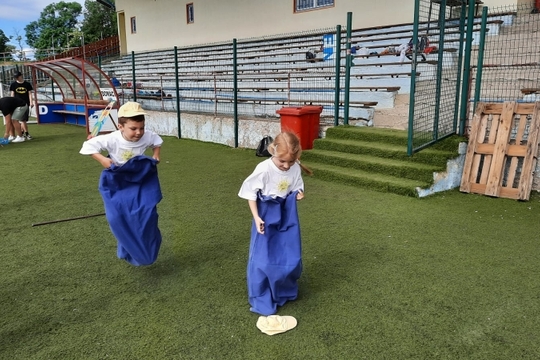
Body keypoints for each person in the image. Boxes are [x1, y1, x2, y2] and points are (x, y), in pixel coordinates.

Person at [80, 102, 164, 266]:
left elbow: (157, 142)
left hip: (140, 180)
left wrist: (156, 155)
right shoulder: (112, 139)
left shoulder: (147, 135)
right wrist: (103, 159)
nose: (139, 132)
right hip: (117, 181)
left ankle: (146, 249)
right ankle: (126, 245)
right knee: (116, 218)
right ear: (120, 126)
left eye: (142, 127)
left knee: (146, 215)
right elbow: (87, 146)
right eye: (133, 128)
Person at [238, 131, 312, 316]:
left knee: (289, 254)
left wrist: (299, 194)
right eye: (282, 162)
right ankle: (261, 293)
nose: (286, 166)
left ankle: (283, 290)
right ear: (274, 151)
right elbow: (250, 193)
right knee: (263, 256)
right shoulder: (264, 169)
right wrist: (256, 217)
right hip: (266, 212)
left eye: (291, 162)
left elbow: (297, 185)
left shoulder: (294, 166)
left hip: (287, 212)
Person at [10, 71, 34, 140]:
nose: (16, 79)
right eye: (15, 77)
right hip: (17, 104)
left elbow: (30, 94)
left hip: (25, 103)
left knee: (23, 120)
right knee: (21, 120)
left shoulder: (27, 84)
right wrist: (12, 103)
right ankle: (26, 133)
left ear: (21, 76)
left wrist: (31, 102)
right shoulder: (13, 84)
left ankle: (23, 133)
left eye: (17, 77)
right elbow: (12, 94)